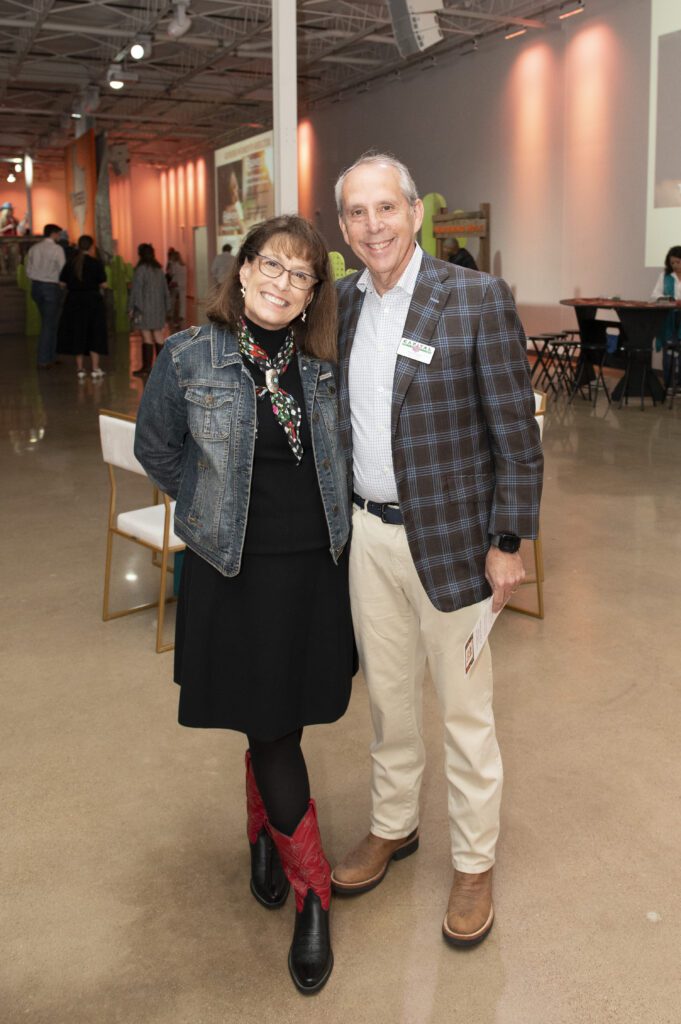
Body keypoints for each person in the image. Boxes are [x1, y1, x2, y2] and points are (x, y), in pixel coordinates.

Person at [134, 215, 354, 995]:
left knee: (280, 717)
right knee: (271, 724)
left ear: (312, 293)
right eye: (270, 265)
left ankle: (263, 836)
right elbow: (154, 444)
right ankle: (314, 894)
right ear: (243, 268)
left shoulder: (322, 363)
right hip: (235, 570)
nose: (281, 283)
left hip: (312, 569)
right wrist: (207, 507)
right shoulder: (191, 353)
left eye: (300, 275)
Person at [331, 152, 543, 948]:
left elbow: (515, 438)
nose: (372, 226)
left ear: (415, 212)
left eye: (385, 208)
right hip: (368, 540)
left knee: (464, 714)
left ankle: (474, 861)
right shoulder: (343, 305)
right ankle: (393, 826)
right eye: (356, 213)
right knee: (387, 701)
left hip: (454, 543)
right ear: (343, 227)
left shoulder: (473, 298)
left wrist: (507, 541)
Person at [57, 234, 108, 380]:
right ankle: (95, 368)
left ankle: (80, 369)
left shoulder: (71, 263)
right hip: (93, 302)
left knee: (78, 333)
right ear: (92, 247)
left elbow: (61, 283)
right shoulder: (96, 263)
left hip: (74, 301)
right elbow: (103, 283)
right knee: (94, 333)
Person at [24, 223, 66, 368]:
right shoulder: (57, 249)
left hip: (36, 286)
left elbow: (28, 269)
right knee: (49, 324)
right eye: (58, 234)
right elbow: (62, 268)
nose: (59, 237)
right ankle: (43, 358)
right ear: (53, 234)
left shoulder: (34, 248)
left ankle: (52, 355)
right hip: (51, 286)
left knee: (49, 322)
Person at [128, 243, 170, 377]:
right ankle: (163, 368)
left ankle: (147, 368)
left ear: (140, 254)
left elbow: (136, 291)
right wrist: (167, 308)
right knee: (158, 336)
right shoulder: (158, 269)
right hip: (159, 308)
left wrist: (132, 308)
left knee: (146, 337)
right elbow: (165, 290)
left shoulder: (140, 269)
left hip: (144, 308)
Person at [651, 245, 681, 387]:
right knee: (668, 350)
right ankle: (668, 385)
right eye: (672, 262)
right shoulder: (664, 275)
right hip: (669, 318)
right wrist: (667, 298)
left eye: (678, 262)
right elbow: (655, 295)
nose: (675, 265)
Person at [167, 249, 187, 328]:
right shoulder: (183, 265)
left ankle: (171, 313)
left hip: (175, 284)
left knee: (173, 300)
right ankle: (182, 315)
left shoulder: (174, 264)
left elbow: (171, 274)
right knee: (182, 301)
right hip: (183, 284)